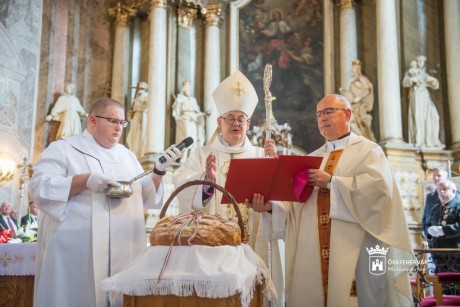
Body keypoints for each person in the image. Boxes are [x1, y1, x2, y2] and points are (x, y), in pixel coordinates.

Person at [249, 94, 414, 306]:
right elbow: (296, 207)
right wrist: (271, 208)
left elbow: (380, 193)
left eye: (328, 112)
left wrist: (332, 182)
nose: (322, 118)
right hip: (314, 254)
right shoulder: (313, 158)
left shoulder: (369, 151)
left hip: (357, 251)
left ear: (347, 114)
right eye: (318, 115)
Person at [30, 97, 183, 307]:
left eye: (122, 122)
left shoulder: (127, 156)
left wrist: (158, 171)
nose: (119, 128)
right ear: (92, 120)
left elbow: (147, 197)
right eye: (113, 121)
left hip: (124, 252)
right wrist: (84, 180)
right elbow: (40, 188)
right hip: (76, 256)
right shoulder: (64, 149)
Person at [173, 70, 284, 306]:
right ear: (219, 122)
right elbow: (181, 185)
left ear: (248, 123)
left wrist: (275, 169)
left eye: (240, 118)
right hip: (212, 254)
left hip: (254, 249)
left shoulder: (261, 156)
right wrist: (207, 183)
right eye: (230, 118)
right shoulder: (201, 154)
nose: (236, 123)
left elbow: (283, 204)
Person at [402, 55, 443, 148]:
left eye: (422, 61)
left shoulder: (425, 74)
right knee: (418, 117)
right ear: (416, 62)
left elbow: (435, 85)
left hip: (425, 96)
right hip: (416, 95)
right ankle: (420, 141)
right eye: (419, 61)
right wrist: (412, 80)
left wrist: (433, 81)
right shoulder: (410, 72)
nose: (421, 62)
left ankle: (432, 140)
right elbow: (405, 83)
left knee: (434, 116)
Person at [426, 180, 460, 272]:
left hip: (454, 254)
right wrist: (428, 233)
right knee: (439, 283)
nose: (441, 192)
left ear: (453, 191)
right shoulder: (436, 208)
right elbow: (428, 224)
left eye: (445, 189)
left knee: (454, 284)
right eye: (439, 190)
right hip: (437, 253)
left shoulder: (458, 206)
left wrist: (443, 230)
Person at [340, 59, 376, 141]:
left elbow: (368, 89)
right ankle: (357, 138)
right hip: (353, 105)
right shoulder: (354, 81)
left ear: (356, 69)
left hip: (360, 106)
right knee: (348, 121)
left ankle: (361, 138)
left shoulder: (362, 79)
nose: (351, 71)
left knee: (350, 120)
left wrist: (359, 98)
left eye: (352, 69)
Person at [172, 80, 206, 161]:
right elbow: (176, 111)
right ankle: (183, 157)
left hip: (193, 120)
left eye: (190, 90)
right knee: (186, 138)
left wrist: (203, 114)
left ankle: (190, 158)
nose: (189, 91)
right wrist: (178, 118)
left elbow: (197, 112)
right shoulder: (180, 98)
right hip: (185, 119)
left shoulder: (193, 100)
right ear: (183, 89)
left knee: (193, 139)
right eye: (187, 89)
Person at [421, 168, 449, 239]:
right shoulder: (430, 196)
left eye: (439, 175)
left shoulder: (453, 194)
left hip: (447, 238)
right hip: (432, 239)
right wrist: (426, 234)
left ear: (446, 177)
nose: (436, 178)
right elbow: (425, 217)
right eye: (434, 176)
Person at [126, 81, 148, 159]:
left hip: (142, 116)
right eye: (140, 88)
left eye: (142, 88)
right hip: (136, 117)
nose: (140, 90)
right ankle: (134, 152)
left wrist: (138, 101)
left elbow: (147, 106)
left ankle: (141, 153)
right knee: (133, 135)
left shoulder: (146, 96)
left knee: (141, 135)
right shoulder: (136, 98)